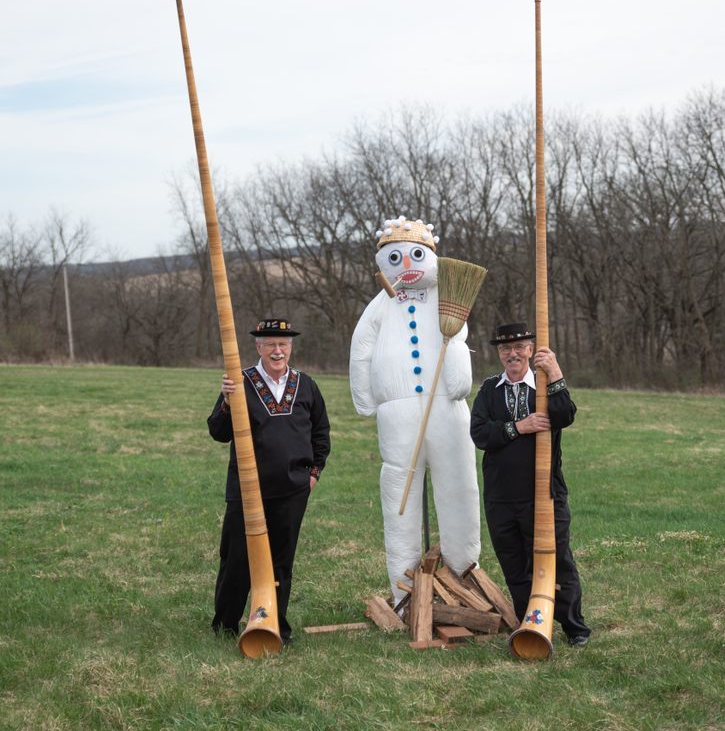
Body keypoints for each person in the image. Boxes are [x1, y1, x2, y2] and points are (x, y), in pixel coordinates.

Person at [349, 216, 481, 603]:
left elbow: (457, 342)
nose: (407, 265)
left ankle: (465, 580)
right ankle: (404, 593)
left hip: (447, 412)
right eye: (396, 257)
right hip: (398, 415)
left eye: (416, 256)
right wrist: (366, 400)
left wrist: (457, 380)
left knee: (458, 487)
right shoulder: (379, 308)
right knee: (400, 499)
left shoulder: (448, 300)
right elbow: (361, 350)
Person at [207, 318, 330, 645]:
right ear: (258, 347)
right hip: (247, 491)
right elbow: (218, 433)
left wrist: (313, 475)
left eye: (284, 344)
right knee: (237, 561)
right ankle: (226, 625)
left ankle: (274, 625)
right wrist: (225, 401)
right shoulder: (239, 382)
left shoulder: (306, 385)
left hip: (292, 491)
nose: (278, 351)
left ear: (290, 348)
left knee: (280, 563)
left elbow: (321, 434)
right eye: (271, 344)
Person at [469, 322, 591, 646]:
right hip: (501, 496)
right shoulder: (489, 390)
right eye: (505, 349)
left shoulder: (544, 384)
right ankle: (531, 625)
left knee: (558, 561)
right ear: (499, 353)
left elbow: (565, 415)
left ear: (531, 349)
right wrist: (519, 427)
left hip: (544, 494)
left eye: (520, 347)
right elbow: (480, 433)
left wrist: (555, 371)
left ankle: (574, 628)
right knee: (515, 565)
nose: (513, 354)